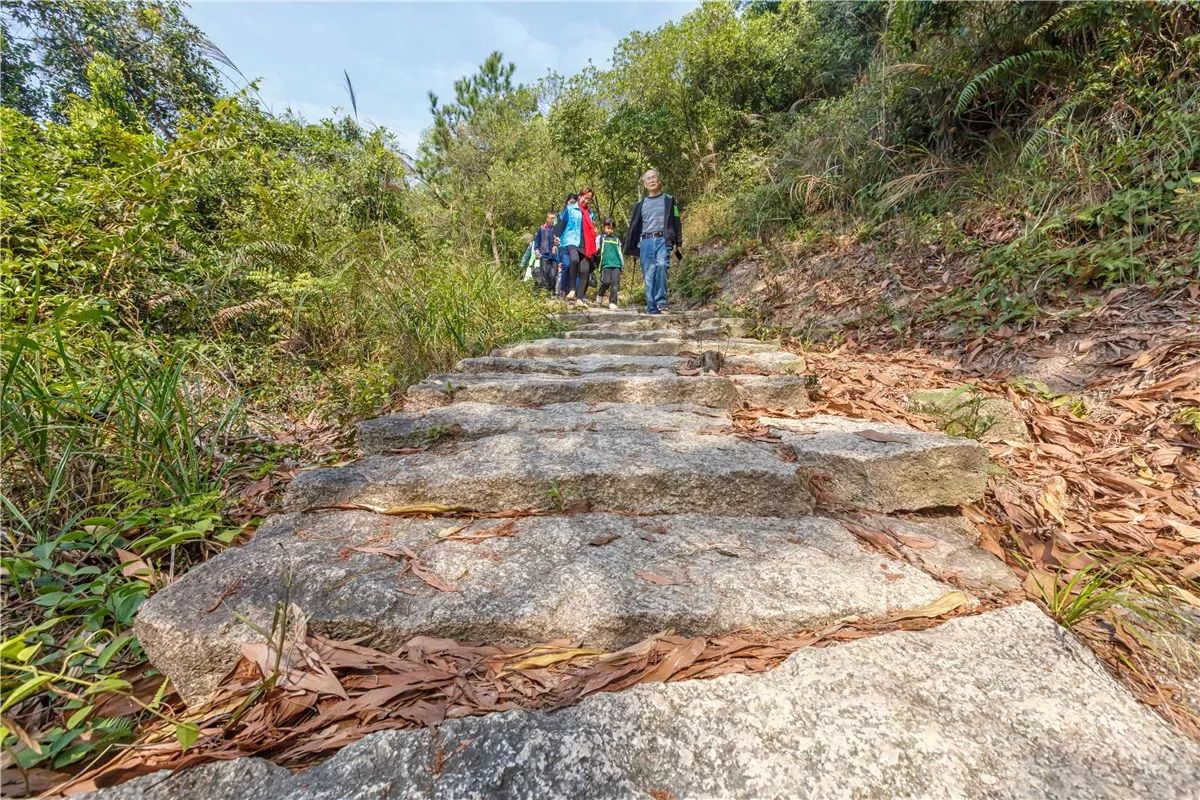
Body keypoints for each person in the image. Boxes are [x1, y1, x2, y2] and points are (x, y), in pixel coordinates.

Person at [622, 168, 682, 315]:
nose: (651, 180)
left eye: (654, 177)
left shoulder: (669, 200)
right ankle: (652, 307)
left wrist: (679, 242)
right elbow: (634, 227)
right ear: (644, 184)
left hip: (663, 239)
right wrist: (633, 249)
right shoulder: (639, 205)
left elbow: (676, 220)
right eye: (648, 178)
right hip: (645, 242)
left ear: (659, 180)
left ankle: (661, 301)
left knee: (661, 266)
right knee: (648, 274)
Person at [553, 191, 597, 305]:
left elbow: (591, 228)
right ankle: (571, 289)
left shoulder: (590, 213)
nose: (586, 201)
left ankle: (579, 298)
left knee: (584, 270)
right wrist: (556, 238)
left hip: (585, 244)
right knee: (573, 260)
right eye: (585, 198)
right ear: (580, 196)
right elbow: (562, 223)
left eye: (589, 199)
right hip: (571, 240)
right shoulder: (570, 209)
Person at [595, 217, 624, 310]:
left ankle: (613, 302)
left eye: (611, 228)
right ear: (604, 228)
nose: (610, 230)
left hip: (616, 264)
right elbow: (596, 250)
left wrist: (622, 265)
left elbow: (620, 253)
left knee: (615, 284)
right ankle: (600, 293)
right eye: (608, 228)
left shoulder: (617, 240)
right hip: (605, 264)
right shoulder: (600, 238)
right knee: (606, 282)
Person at [534, 210, 557, 292]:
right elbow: (537, 241)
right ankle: (545, 293)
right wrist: (537, 251)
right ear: (547, 218)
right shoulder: (541, 228)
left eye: (554, 218)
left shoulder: (556, 229)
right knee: (544, 275)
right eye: (551, 218)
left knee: (553, 275)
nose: (552, 220)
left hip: (553, 256)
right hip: (543, 255)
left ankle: (552, 291)